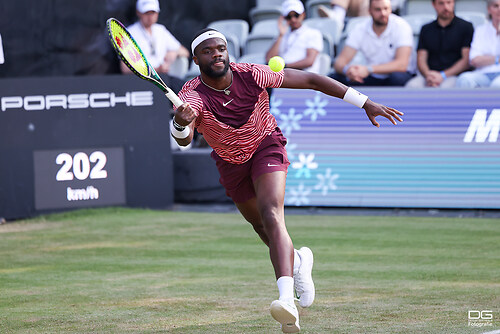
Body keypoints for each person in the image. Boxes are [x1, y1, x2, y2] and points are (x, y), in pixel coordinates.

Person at [170, 28, 403, 333]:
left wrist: (364, 102)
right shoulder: (191, 95)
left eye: (221, 48)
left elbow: (311, 80)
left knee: (272, 213)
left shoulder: (253, 74)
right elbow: (184, 139)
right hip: (230, 162)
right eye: (208, 50)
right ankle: (298, 262)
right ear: (196, 58)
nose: (217, 54)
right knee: (260, 226)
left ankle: (286, 300)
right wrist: (180, 122)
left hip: (267, 145)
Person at [330, 0, 415, 86]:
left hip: (398, 76)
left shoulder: (401, 26)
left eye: (386, 8)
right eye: (378, 9)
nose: (383, 13)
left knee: (396, 78)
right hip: (372, 75)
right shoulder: (360, 28)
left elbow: (402, 65)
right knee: (334, 78)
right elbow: (339, 62)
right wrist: (349, 71)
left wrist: (368, 69)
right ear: (369, 11)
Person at [406, 0, 474, 88]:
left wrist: (443, 75)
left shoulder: (466, 27)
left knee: (446, 88)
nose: (446, 7)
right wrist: (428, 76)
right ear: (434, 5)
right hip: (429, 76)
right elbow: (421, 58)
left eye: (449, 2)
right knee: (412, 86)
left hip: (454, 76)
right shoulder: (426, 29)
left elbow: (466, 61)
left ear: (454, 3)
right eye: (441, 3)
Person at [121, 0, 189, 81]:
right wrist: (156, 70)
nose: (150, 17)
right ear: (138, 13)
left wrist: (173, 53)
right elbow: (125, 68)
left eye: (153, 12)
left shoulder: (160, 30)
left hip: (164, 78)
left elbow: (185, 52)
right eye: (146, 13)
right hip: (141, 80)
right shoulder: (129, 33)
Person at [265, 0, 324, 74]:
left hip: (304, 77)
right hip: (284, 77)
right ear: (284, 18)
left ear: (303, 14)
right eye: (289, 17)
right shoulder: (282, 34)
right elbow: (268, 59)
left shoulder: (313, 33)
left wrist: (285, 67)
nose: (293, 19)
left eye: (296, 15)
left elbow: (309, 61)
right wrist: (280, 35)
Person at [455, 0, 500, 88]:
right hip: (483, 74)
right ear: (489, 9)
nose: (499, 9)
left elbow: (479, 59)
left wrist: (485, 59)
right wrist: (497, 59)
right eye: (496, 6)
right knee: (464, 79)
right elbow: (474, 60)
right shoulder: (480, 30)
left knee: (497, 85)